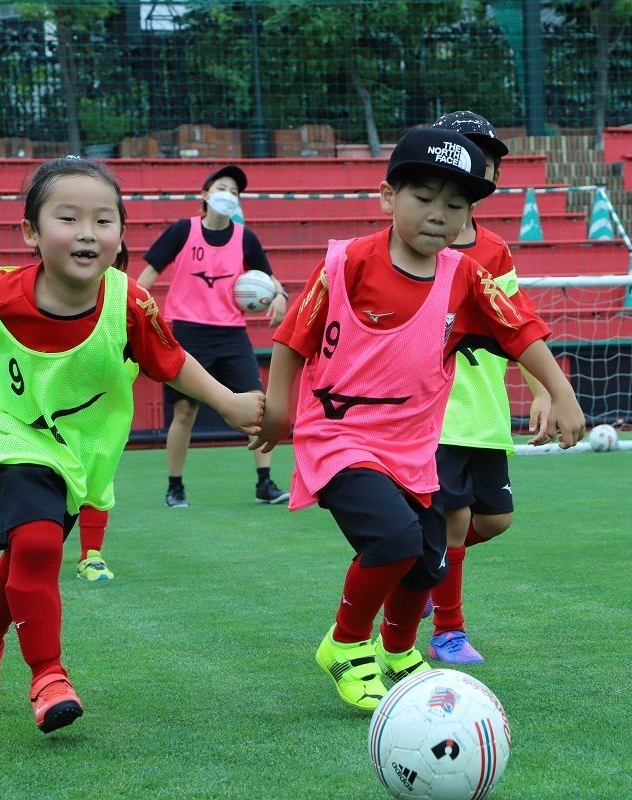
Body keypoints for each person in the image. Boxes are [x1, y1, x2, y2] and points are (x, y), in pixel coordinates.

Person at [0, 156, 264, 733]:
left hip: (79, 448)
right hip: (7, 431)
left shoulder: (128, 302)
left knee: (28, 548)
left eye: (104, 220)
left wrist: (230, 401)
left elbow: (170, 360)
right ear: (31, 232)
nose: (88, 233)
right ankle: (47, 674)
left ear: (121, 236)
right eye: (68, 218)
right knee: (40, 542)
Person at [250, 127, 585, 712]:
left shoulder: (466, 276)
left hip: (414, 446)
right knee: (394, 540)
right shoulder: (347, 261)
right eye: (424, 197)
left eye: (456, 205)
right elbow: (292, 337)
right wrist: (279, 409)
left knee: (430, 556)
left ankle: (400, 649)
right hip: (339, 437)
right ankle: (347, 645)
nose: (440, 214)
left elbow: (520, 329)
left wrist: (561, 392)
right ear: (387, 197)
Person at [424, 111, 551, 665]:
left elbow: (515, 325)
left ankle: (426, 571)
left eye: (489, 154)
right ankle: (448, 630)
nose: (482, 161)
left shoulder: (496, 251)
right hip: (437, 408)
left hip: (486, 411)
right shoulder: (420, 238)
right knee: (453, 518)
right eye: (469, 149)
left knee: (494, 520)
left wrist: (543, 389)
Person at [138, 164, 289, 508]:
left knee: (257, 406)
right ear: (205, 196)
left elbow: (269, 277)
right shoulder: (182, 231)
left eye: (235, 192)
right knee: (185, 412)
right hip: (189, 333)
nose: (228, 196)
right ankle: (175, 487)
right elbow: (145, 278)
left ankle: (264, 483)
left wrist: (280, 295)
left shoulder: (244, 237)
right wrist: (131, 313)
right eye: (222, 188)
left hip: (232, 334)